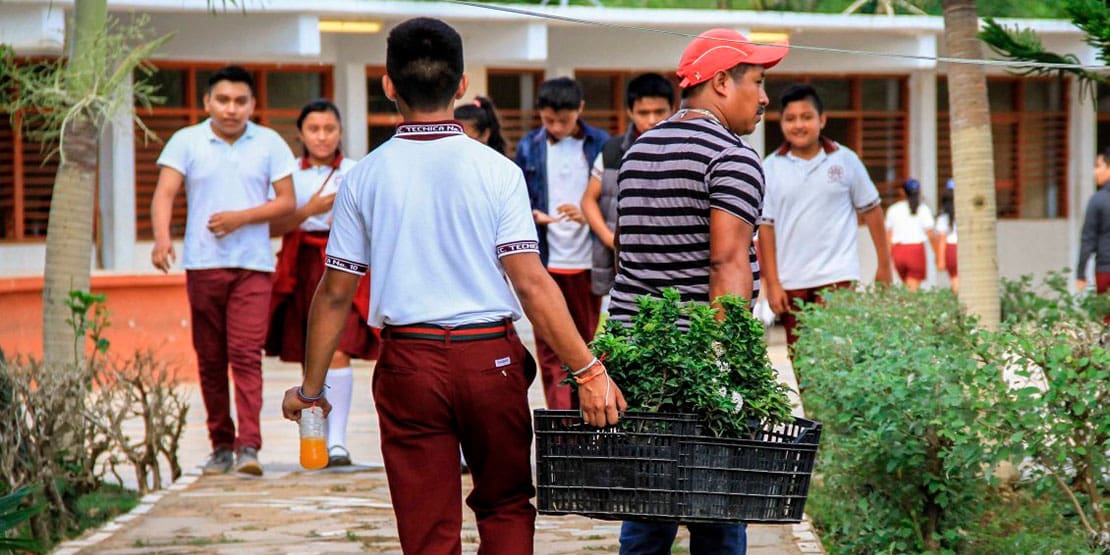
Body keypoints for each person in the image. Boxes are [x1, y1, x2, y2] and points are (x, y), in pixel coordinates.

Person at [279, 18, 625, 553]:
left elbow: (334, 293)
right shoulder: (499, 171)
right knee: (505, 504)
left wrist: (310, 390)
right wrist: (588, 369)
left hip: (408, 364)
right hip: (491, 359)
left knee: (426, 524)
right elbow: (531, 282)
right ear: (462, 85)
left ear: (388, 85)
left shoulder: (363, 177)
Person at [610, 28, 788, 554]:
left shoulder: (638, 150)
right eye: (757, 82)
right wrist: (726, 366)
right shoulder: (732, 157)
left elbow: (626, 253)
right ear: (721, 82)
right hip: (700, 363)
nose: (764, 98)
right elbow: (727, 263)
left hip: (638, 355)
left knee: (649, 509)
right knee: (718, 515)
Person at [150, 65, 297, 476]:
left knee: (245, 355)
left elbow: (287, 201)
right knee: (211, 358)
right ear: (207, 102)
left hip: (253, 266)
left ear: (252, 104)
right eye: (223, 100)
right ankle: (220, 447)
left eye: (240, 101)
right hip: (203, 264)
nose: (231, 109)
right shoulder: (186, 141)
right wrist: (162, 239)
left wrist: (241, 218)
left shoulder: (269, 142)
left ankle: (248, 446)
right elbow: (164, 193)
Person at [265, 99, 379, 468]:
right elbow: (272, 226)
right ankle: (315, 441)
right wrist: (308, 211)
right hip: (301, 264)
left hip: (344, 261)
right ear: (300, 134)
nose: (322, 137)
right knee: (310, 352)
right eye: (313, 129)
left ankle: (339, 442)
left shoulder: (355, 171)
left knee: (339, 347)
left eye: (329, 129)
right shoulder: (288, 177)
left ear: (340, 132)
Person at [759, 84, 892, 353]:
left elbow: (872, 210)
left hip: (838, 277)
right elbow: (766, 226)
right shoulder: (769, 167)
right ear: (781, 123)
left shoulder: (846, 160)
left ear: (822, 120)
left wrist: (884, 265)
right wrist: (772, 283)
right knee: (801, 359)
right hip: (791, 281)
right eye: (790, 118)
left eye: (806, 117)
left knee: (835, 356)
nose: (799, 125)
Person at [514, 76, 610, 410]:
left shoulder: (600, 144)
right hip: (546, 262)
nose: (556, 127)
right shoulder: (529, 146)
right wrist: (532, 215)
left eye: (563, 120)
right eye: (549, 120)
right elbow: (517, 198)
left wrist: (588, 216)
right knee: (549, 347)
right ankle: (561, 422)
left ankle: (585, 418)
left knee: (586, 345)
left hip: (586, 262)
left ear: (580, 110)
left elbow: (609, 199)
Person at [580, 73, 675, 297]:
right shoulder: (612, 150)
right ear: (630, 112)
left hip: (670, 260)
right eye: (643, 113)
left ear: (673, 109)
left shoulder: (684, 148)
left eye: (659, 112)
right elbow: (588, 200)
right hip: (623, 263)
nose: (652, 119)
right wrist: (610, 240)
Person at [885, 178, 935, 292]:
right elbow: (931, 235)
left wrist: (887, 259)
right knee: (911, 291)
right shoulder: (923, 209)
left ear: (902, 192)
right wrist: (938, 254)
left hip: (898, 251)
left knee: (907, 287)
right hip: (915, 251)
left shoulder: (893, 209)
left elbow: (888, 237)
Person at [1076, 147, 1110, 301]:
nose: (1094, 171)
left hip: (1106, 270)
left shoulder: (1098, 200)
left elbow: (1088, 239)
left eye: (1098, 166)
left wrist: (1081, 274)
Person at [935, 179, 959, 292]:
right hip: (964, 248)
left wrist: (940, 259)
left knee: (955, 280)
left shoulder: (943, 217)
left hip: (951, 249)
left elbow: (942, 239)